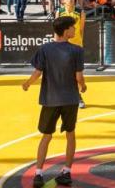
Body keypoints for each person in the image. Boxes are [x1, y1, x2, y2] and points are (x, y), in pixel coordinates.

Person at [22, 16, 87, 188]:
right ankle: (66, 171)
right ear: (66, 31)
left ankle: (38, 173)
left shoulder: (45, 49)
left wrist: (28, 83)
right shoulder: (77, 50)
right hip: (70, 99)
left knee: (46, 136)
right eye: (73, 28)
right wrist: (83, 86)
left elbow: (37, 72)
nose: (75, 30)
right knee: (70, 134)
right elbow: (78, 76)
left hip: (50, 99)